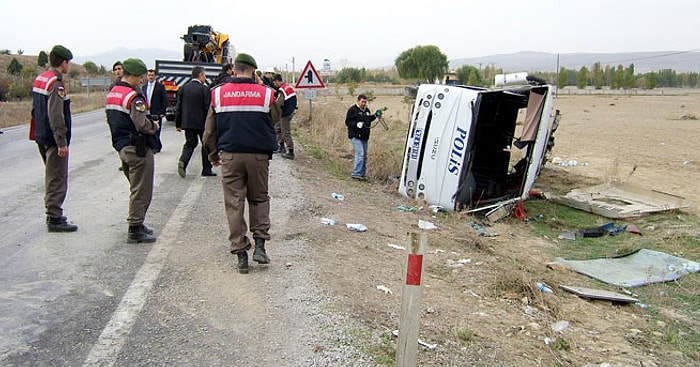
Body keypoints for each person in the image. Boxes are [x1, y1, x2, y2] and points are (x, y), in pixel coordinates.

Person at [203, 53, 279, 274]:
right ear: (254, 72)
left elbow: (209, 132)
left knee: (234, 204)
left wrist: (213, 155)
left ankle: (241, 255)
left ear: (234, 71)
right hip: (258, 157)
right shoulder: (267, 94)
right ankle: (261, 246)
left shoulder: (217, 94)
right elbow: (274, 118)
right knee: (259, 199)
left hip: (230, 156)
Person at [105, 58, 161, 243]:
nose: (142, 81)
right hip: (137, 147)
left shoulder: (114, 92)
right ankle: (135, 227)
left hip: (121, 145)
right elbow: (141, 123)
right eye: (141, 77)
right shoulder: (133, 96)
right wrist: (154, 126)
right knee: (141, 189)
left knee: (136, 186)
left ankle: (138, 222)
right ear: (135, 76)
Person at [30, 45, 78, 232]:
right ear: (63, 62)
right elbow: (56, 115)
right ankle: (54, 217)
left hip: (41, 135)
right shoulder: (56, 83)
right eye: (68, 63)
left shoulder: (41, 78)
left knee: (52, 176)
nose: (69, 66)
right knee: (56, 178)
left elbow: (35, 109)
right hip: (52, 138)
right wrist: (61, 141)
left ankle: (54, 213)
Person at [176, 66, 215, 177]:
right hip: (201, 123)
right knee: (205, 145)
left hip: (187, 122)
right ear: (201, 75)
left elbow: (179, 107)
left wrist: (178, 123)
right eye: (204, 75)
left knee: (190, 143)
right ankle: (206, 169)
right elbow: (207, 107)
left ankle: (183, 161)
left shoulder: (183, 88)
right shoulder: (204, 89)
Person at [345, 94, 382, 181]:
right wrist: (356, 124)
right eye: (362, 101)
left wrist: (375, 116)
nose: (364, 103)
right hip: (355, 136)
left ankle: (362, 174)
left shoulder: (367, 110)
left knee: (364, 156)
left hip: (365, 137)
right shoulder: (352, 110)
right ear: (358, 101)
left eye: (365, 102)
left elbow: (368, 120)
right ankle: (356, 173)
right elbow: (348, 121)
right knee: (360, 154)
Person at [272, 74, 297, 159]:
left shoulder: (281, 90)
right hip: (291, 110)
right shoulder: (288, 87)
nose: (274, 84)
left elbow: (279, 103)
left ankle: (290, 151)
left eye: (274, 82)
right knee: (277, 128)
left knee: (285, 131)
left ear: (278, 81)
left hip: (285, 113)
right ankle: (281, 146)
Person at [142, 69, 166, 153]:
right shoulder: (144, 87)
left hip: (157, 112)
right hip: (146, 112)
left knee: (156, 130)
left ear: (155, 76)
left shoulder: (160, 87)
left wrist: (162, 112)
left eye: (152, 75)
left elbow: (164, 100)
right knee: (148, 129)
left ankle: (156, 147)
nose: (150, 77)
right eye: (149, 75)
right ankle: (154, 145)